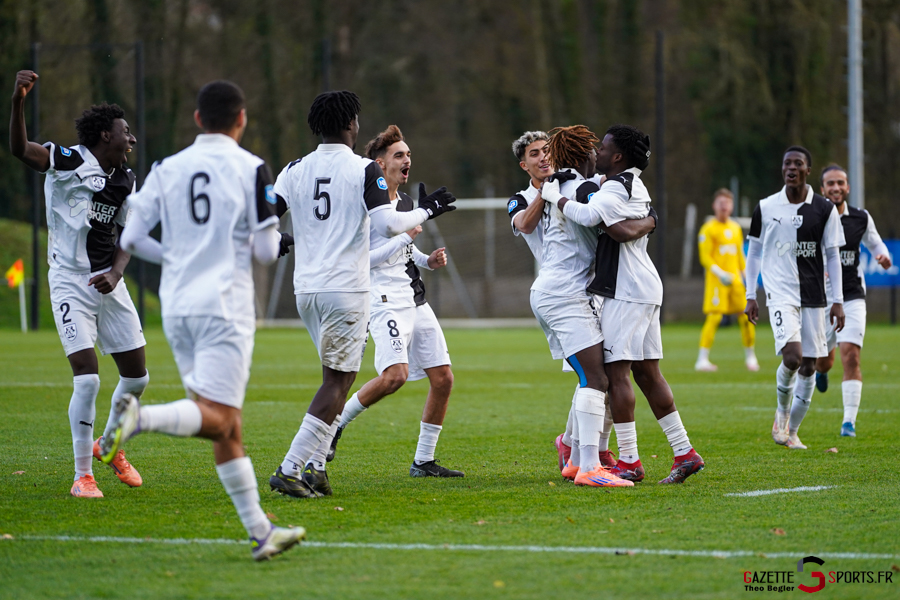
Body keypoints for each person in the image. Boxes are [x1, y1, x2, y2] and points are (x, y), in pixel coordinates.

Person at [105, 80, 303, 561]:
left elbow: (130, 237)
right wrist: (266, 239)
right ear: (242, 119)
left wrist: (176, 256)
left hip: (177, 305)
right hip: (224, 306)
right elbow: (264, 252)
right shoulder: (252, 168)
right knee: (222, 417)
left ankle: (260, 532)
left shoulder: (165, 168)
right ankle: (139, 418)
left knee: (223, 425)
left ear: (197, 119)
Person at [269, 92, 457, 498]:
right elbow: (388, 224)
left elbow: (263, 213)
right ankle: (290, 468)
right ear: (350, 123)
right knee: (338, 383)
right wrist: (428, 210)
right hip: (347, 289)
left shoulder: (293, 168)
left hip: (306, 290)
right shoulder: (364, 169)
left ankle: (318, 469)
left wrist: (275, 239)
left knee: (333, 381)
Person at [9, 70, 147, 498]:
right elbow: (20, 149)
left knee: (137, 378)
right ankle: (82, 475)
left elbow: (128, 236)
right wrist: (17, 101)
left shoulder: (125, 180)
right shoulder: (66, 160)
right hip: (69, 282)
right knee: (87, 379)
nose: (131, 139)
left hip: (109, 283)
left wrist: (117, 273)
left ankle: (108, 443)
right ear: (106, 135)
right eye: (125, 132)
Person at [546, 124, 704, 484]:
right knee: (647, 373)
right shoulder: (627, 183)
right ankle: (684, 452)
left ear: (617, 156)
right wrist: (650, 220)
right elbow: (619, 227)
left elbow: (593, 218)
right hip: (641, 286)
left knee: (615, 375)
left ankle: (629, 460)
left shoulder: (617, 186)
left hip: (626, 289)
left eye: (603, 147)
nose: (597, 152)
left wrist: (555, 197)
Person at [322, 124, 461, 481]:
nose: (407, 160)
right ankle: (335, 424)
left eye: (409, 154)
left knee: (443, 378)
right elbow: (362, 260)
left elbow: (405, 252)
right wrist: (404, 239)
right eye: (399, 155)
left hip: (413, 297)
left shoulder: (408, 205)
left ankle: (423, 461)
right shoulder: (364, 207)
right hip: (382, 299)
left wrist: (427, 260)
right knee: (394, 376)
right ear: (380, 164)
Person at [533, 125, 655, 488]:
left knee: (595, 375)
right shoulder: (582, 189)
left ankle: (574, 456)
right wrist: (650, 218)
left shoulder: (568, 183)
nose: (597, 154)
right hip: (565, 294)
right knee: (597, 379)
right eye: (593, 149)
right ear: (583, 154)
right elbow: (599, 216)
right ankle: (588, 466)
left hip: (558, 291)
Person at [745, 146, 846, 450]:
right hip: (780, 292)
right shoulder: (766, 207)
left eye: (798, 163)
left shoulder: (824, 209)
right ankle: (782, 413)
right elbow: (754, 252)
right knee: (792, 357)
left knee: (810, 366)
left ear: (807, 171)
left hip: (814, 294)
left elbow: (833, 256)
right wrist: (751, 294)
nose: (791, 168)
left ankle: (793, 432)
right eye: (787, 163)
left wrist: (838, 300)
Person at [813, 164, 892, 437]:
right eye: (830, 183)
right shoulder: (813, 218)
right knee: (823, 361)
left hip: (852, 296)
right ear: (822, 189)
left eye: (840, 183)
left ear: (847, 187)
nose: (836, 187)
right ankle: (822, 371)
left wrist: (883, 256)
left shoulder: (861, 217)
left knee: (851, 356)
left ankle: (849, 422)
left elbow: (876, 243)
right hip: (821, 299)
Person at [695, 189, 759, 372]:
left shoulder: (735, 227)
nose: (724, 206)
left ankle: (751, 357)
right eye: (720, 203)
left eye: (727, 203)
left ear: (731, 206)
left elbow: (740, 256)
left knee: (746, 317)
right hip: (717, 282)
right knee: (714, 317)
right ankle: (702, 359)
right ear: (714, 206)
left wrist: (748, 277)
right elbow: (705, 258)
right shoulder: (708, 229)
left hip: (736, 282)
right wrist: (720, 273)